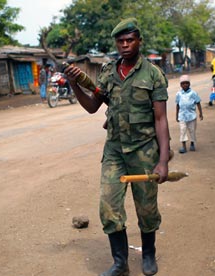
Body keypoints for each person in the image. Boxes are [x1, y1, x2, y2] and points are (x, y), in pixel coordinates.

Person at [64, 18, 169, 276]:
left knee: (146, 208)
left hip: (144, 150)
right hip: (114, 151)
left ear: (139, 40)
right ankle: (121, 263)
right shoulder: (108, 72)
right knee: (108, 207)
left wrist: (163, 160)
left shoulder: (153, 74)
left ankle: (148, 255)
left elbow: (161, 119)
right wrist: (75, 84)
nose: (125, 45)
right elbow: (92, 107)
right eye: (120, 41)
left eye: (129, 40)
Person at [175, 75, 203, 153]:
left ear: (189, 84)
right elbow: (177, 105)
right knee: (182, 130)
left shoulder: (193, 93)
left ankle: (192, 143)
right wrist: (177, 115)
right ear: (181, 85)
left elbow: (198, 103)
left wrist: (201, 113)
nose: (185, 85)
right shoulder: (178, 94)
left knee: (192, 130)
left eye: (187, 83)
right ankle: (183, 146)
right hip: (182, 116)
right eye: (183, 83)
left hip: (191, 116)